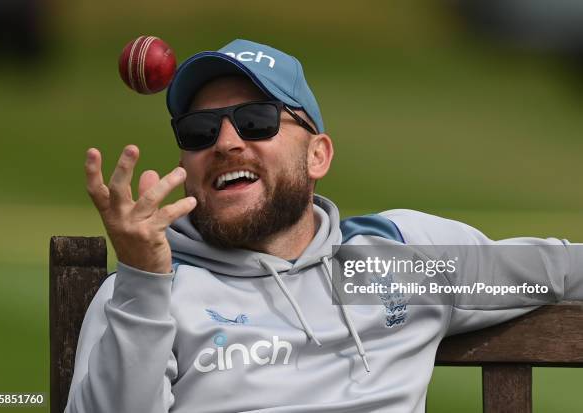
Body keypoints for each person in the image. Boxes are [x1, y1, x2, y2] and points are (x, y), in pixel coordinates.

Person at [67, 39, 583, 413]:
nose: (224, 143)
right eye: (199, 130)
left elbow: (561, 271)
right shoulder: (153, 293)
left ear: (318, 155)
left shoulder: (398, 258)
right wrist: (143, 280)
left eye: (256, 121)